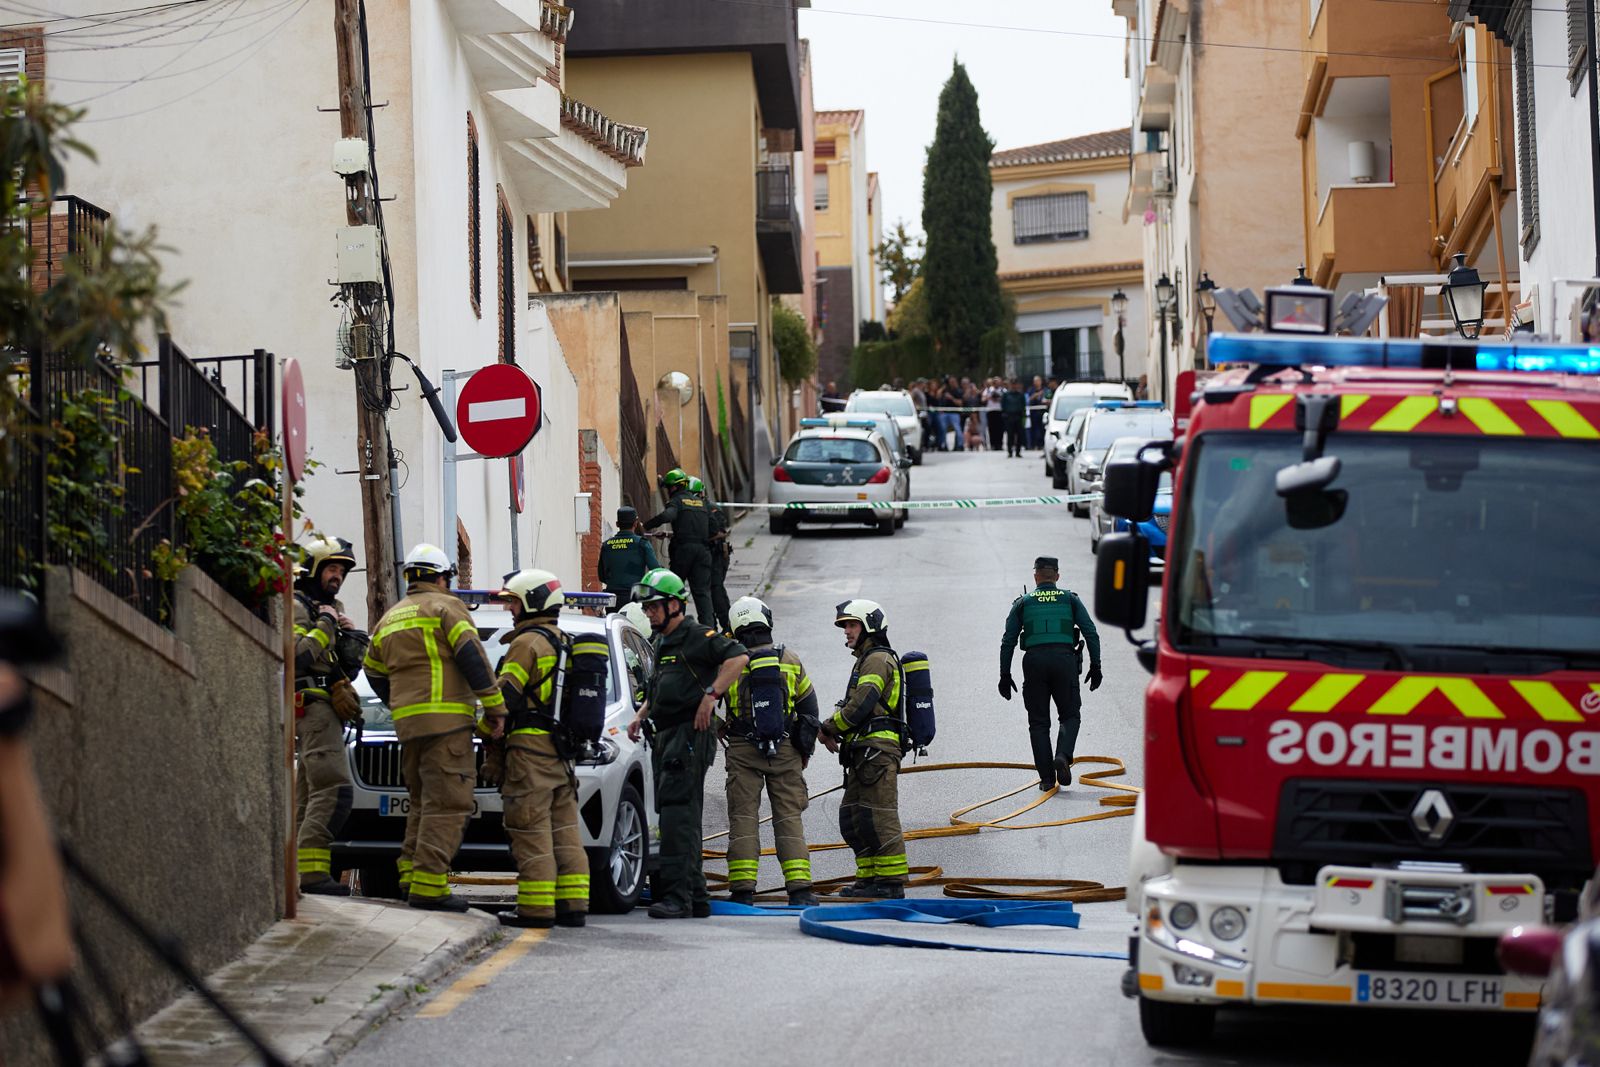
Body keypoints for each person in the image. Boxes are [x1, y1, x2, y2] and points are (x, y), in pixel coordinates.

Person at [363, 544, 506, 911]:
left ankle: (411, 877)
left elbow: (372, 670)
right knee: (448, 805)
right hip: (447, 727)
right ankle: (429, 887)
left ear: (411, 577)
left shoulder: (390, 617)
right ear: (443, 578)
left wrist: (398, 702)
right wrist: (494, 707)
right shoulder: (447, 607)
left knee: (421, 805)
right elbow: (471, 656)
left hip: (408, 728)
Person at [626, 569, 748, 918]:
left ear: (675, 604)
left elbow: (738, 657)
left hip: (688, 736)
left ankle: (677, 897)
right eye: (646, 608)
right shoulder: (664, 640)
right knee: (680, 814)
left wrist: (712, 695)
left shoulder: (697, 636)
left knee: (678, 816)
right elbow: (662, 685)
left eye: (653, 607)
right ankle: (696, 896)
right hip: (665, 735)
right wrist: (641, 714)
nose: (649, 613)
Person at [488, 569, 589, 929]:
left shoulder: (526, 643)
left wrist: (481, 723)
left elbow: (505, 695)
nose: (509, 610)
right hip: (560, 754)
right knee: (565, 833)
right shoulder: (564, 640)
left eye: (513, 602)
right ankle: (573, 905)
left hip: (529, 753)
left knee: (530, 831)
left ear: (531, 601)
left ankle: (535, 908)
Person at [720, 597, 820, 907]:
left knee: (743, 818)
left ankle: (742, 892)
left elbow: (704, 699)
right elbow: (809, 708)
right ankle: (800, 890)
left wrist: (718, 727)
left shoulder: (730, 661)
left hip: (741, 749)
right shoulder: (789, 659)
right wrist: (804, 750)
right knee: (788, 817)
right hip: (786, 748)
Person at [291, 535, 368, 897]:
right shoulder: (296, 606)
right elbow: (297, 656)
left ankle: (301, 875)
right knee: (334, 791)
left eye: (341, 571)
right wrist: (325, 625)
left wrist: (348, 637)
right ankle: (313, 875)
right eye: (331, 568)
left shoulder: (328, 608)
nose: (337, 576)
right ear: (313, 569)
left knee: (308, 797)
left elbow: (342, 669)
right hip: (311, 708)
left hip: (325, 711)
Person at [820, 599, 908, 899]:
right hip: (863, 752)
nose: (846, 630)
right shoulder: (865, 658)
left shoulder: (878, 659)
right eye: (845, 625)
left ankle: (891, 882)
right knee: (854, 817)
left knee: (878, 816)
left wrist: (829, 728)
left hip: (878, 752)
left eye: (852, 624)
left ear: (869, 625)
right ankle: (869, 879)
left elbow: (861, 705)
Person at [998, 557, 1102, 791]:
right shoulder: (1070, 599)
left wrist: (1005, 675)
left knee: (1038, 722)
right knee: (1070, 715)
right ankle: (1063, 756)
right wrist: (1096, 666)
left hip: (1034, 663)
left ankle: (1046, 779)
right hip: (1064, 661)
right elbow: (1090, 633)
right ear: (1057, 576)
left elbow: (1008, 641)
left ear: (1035, 577)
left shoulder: (1023, 603)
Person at [642, 468, 716, 624]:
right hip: (703, 552)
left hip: (683, 553)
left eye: (668, 487)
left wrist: (646, 526)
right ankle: (708, 630)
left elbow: (667, 516)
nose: (668, 491)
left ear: (674, 487)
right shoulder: (702, 503)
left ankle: (676, 626)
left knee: (674, 590)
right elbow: (713, 529)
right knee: (702, 593)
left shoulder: (677, 501)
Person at [689, 475, 734, 633]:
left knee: (716, 591)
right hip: (703, 556)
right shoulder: (695, 510)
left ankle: (728, 627)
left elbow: (721, 532)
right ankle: (711, 628)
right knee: (704, 593)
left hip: (716, 555)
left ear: (701, 494)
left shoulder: (712, 508)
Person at [597, 506, 659, 607]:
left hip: (612, 598)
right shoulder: (642, 544)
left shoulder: (606, 545)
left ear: (617, 524)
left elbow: (602, 576)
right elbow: (655, 570)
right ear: (635, 523)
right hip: (635, 597)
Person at [1001, 378, 1027, 458]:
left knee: (1019, 435)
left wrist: (1023, 416)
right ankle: (1010, 451)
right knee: (1010, 435)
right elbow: (1003, 405)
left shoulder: (1020, 395)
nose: (1014, 386)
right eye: (1012, 384)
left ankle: (1018, 452)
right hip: (1009, 417)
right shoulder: (1006, 395)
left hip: (1018, 416)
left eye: (1015, 384)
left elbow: (1023, 406)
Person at [1027, 375, 1049, 451]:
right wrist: (1036, 395)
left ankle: (1042, 444)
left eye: (1038, 381)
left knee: (1043, 429)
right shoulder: (1031, 390)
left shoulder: (1045, 390)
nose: (1036, 382)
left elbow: (1049, 398)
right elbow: (1028, 400)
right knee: (1034, 429)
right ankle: (1033, 444)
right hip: (1034, 412)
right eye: (1035, 381)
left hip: (1043, 412)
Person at [983, 378, 1004, 451]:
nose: (997, 384)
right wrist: (990, 397)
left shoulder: (1003, 390)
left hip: (999, 411)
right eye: (995, 382)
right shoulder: (988, 390)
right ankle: (993, 444)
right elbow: (983, 399)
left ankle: (1000, 444)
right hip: (990, 411)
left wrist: (998, 399)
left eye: (998, 382)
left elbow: (1004, 399)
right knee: (992, 428)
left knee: (1000, 429)